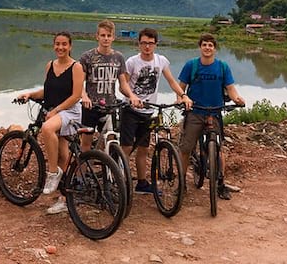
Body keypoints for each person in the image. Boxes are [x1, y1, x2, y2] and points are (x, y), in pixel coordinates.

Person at [18, 31, 84, 214]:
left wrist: (55, 110)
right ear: (54, 46)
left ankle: (53, 173)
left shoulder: (76, 67)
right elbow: (47, 91)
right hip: (55, 112)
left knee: (47, 129)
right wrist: (30, 94)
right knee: (64, 155)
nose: (60, 47)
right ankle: (64, 199)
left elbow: (76, 95)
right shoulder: (50, 65)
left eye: (64, 44)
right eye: (57, 44)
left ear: (70, 46)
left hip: (70, 112)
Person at [121, 28, 192, 194]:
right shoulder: (132, 62)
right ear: (139, 44)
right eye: (144, 43)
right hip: (131, 110)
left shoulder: (161, 61)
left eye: (150, 43)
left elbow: (172, 81)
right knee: (126, 147)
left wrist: (182, 95)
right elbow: (123, 85)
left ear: (156, 44)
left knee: (144, 149)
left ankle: (141, 183)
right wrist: (132, 97)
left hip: (148, 111)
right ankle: (120, 180)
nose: (147, 47)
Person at [177, 33, 245, 200]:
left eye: (210, 45)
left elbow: (230, 88)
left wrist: (237, 99)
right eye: (204, 45)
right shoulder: (191, 65)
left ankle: (220, 183)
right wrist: (181, 99)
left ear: (215, 48)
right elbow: (180, 89)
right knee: (186, 148)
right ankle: (181, 183)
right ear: (200, 47)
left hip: (214, 112)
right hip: (195, 112)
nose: (207, 48)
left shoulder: (222, 67)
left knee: (218, 149)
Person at [80, 20, 139, 153]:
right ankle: (80, 172)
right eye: (103, 35)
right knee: (86, 143)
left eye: (108, 35)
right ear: (97, 36)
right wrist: (84, 96)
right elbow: (79, 83)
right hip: (91, 106)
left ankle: (107, 171)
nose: (106, 38)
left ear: (113, 37)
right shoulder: (87, 57)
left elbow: (123, 83)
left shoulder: (118, 57)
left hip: (110, 106)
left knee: (110, 141)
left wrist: (131, 95)